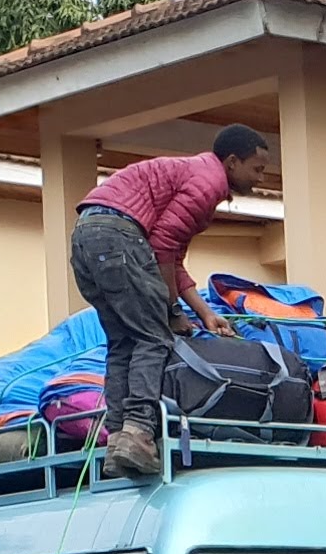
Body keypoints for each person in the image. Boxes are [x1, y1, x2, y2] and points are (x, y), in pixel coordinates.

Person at [72, 125, 267, 480]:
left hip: (87, 236)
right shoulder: (207, 184)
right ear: (233, 162)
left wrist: (205, 313)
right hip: (119, 236)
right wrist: (172, 311)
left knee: (123, 343)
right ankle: (139, 433)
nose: (259, 178)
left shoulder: (194, 174)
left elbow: (171, 258)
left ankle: (118, 441)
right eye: (256, 169)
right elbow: (162, 247)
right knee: (154, 337)